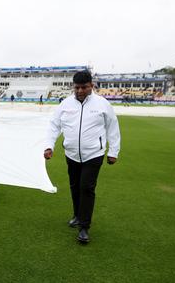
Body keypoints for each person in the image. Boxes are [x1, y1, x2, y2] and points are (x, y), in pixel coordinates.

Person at [44, 70, 121, 244]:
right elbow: (54, 125)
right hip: (71, 154)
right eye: (77, 87)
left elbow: (112, 128)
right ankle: (77, 215)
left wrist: (113, 152)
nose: (79, 91)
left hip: (94, 154)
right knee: (75, 186)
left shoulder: (102, 104)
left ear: (91, 86)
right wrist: (49, 145)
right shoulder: (65, 104)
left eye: (84, 87)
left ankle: (84, 227)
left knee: (86, 187)